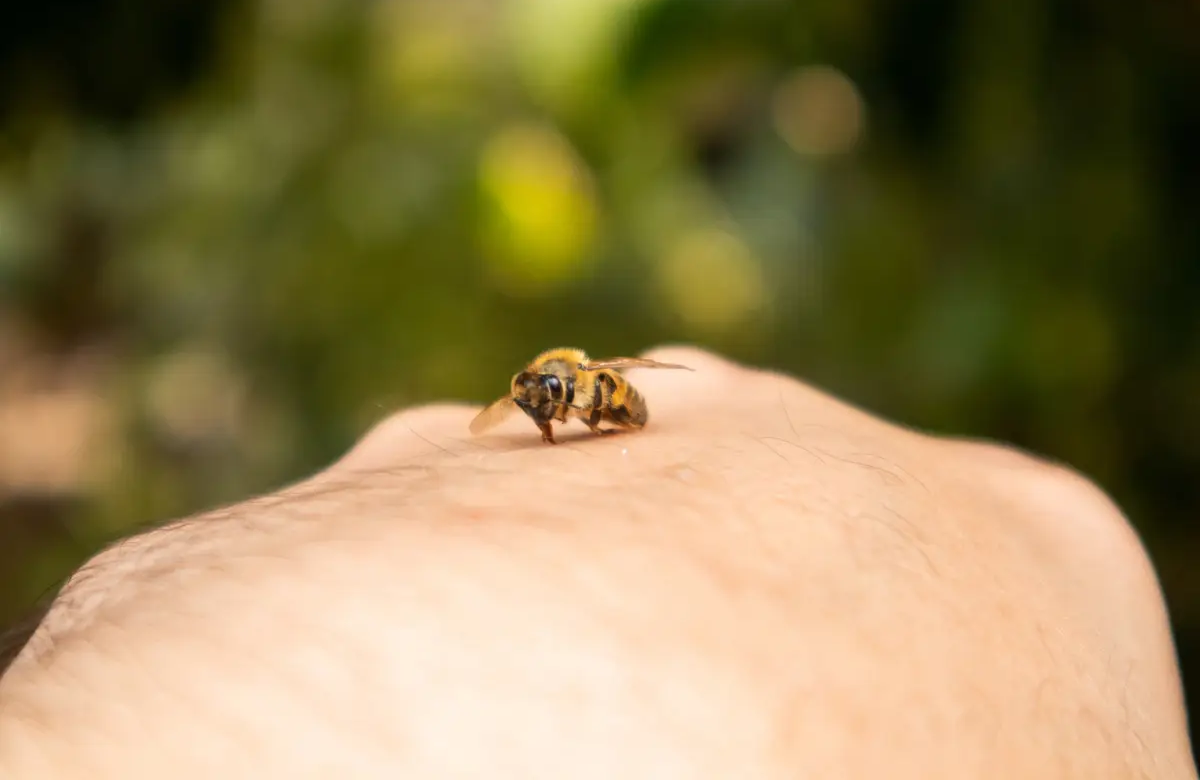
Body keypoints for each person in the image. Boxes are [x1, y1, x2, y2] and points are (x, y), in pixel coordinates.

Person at [0, 347, 1193, 778]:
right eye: (541, 396)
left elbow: (600, 396)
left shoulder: (591, 390)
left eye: (548, 395)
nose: (541, 401)